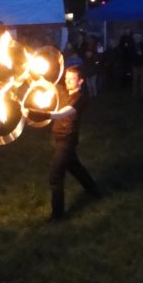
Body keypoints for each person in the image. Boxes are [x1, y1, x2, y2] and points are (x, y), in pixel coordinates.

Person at [23, 65, 100, 221]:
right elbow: (43, 82)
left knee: (55, 175)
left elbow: (60, 114)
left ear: (80, 81)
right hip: (58, 138)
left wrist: (33, 114)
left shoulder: (80, 98)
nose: (68, 81)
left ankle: (58, 216)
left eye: (72, 79)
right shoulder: (63, 91)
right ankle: (93, 190)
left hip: (67, 139)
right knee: (74, 166)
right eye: (66, 78)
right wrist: (28, 71)